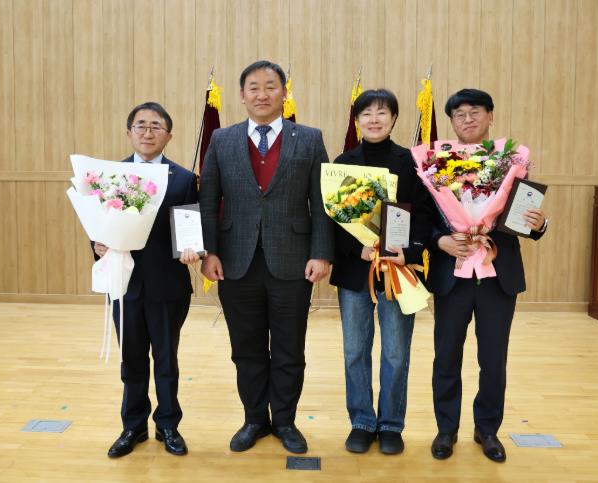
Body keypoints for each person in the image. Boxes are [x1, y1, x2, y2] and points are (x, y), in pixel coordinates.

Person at [199, 60, 334, 455]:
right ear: (242, 95)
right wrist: (209, 252)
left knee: (290, 348)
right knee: (246, 348)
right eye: (254, 87)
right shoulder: (222, 139)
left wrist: (321, 253)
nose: (262, 94)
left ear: (284, 93)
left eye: (270, 86)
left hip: (293, 261)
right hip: (235, 262)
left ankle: (286, 421)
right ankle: (254, 419)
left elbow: (321, 202)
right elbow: (208, 200)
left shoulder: (309, 138)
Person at [427, 89, 548, 463]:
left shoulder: (510, 162)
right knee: (446, 357)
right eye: (459, 114)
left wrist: (539, 224)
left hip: (498, 276)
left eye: (474, 112)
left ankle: (488, 429)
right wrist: (441, 241)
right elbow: (425, 220)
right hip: (453, 275)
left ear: (490, 116)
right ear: (451, 121)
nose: (467, 119)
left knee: (493, 359)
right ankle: (446, 429)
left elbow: (523, 217)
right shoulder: (436, 163)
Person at [93, 102, 200, 458]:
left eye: (156, 126)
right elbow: (97, 225)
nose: (148, 132)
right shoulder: (110, 176)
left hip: (168, 284)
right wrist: (97, 244)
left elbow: (190, 227)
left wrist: (193, 249)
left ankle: (168, 425)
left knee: (166, 360)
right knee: (132, 360)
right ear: (129, 133)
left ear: (169, 136)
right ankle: (133, 426)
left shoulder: (184, 179)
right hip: (124, 283)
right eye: (141, 125)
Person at [329, 89, 433, 455]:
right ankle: (361, 421)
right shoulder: (343, 163)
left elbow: (424, 215)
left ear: (394, 118)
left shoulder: (411, 162)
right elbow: (333, 219)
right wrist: (354, 248)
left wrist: (411, 251)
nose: (374, 119)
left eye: (382, 112)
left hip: (398, 270)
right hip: (356, 271)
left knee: (396, 353)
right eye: (366, 113)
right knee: (354, 350)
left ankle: (390, 424)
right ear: (357, 120)